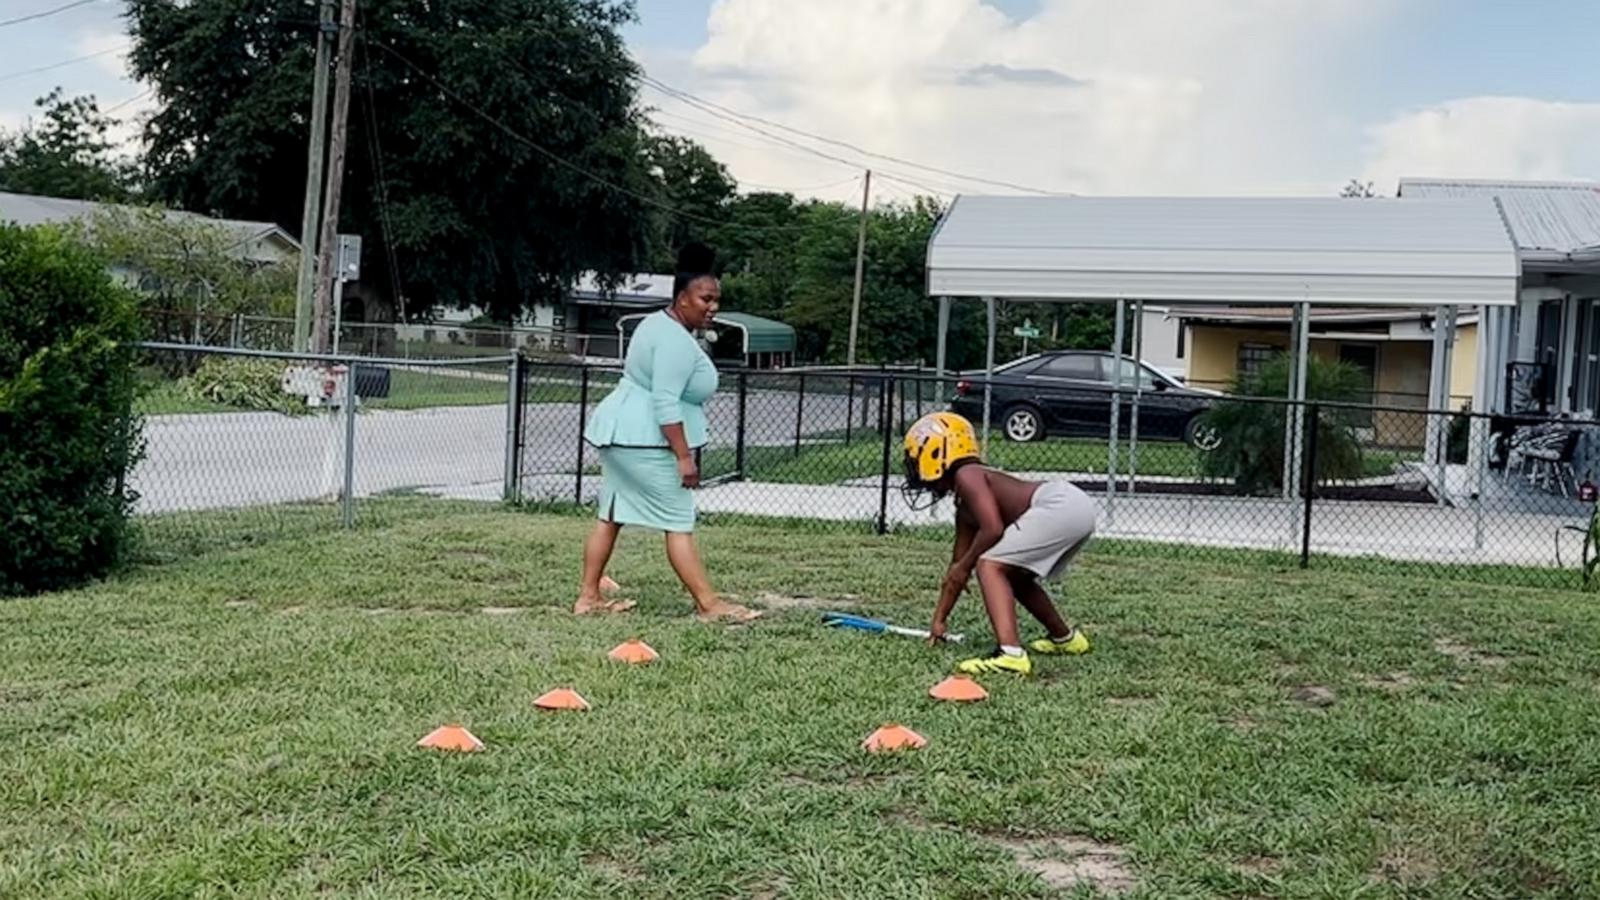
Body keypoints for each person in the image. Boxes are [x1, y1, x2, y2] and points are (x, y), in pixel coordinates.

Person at [574, 243, 759, 623]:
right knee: (678, 520)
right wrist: (684, 457)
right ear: (682, 298)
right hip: (645, 441)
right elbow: (664, 402)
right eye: (705, 298)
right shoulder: (675, 340)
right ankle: (709, 605)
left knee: (610, 515)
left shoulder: (655, 323)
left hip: (619, 435)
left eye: (716, 300)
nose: (713, 307)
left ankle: (588, 597)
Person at [903, 411, 1095, 676]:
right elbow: (956, 572)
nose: (913, 471)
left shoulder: (968, 475)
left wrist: (968, 564)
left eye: (915, 461)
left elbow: (992, 529)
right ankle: (1066, 639)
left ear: (937, 452)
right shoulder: (965, 505)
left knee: (989, 565)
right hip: (1075, 507)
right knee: (1014, 576)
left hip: (1059, 505)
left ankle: (1011, 655)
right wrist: (939, 621)